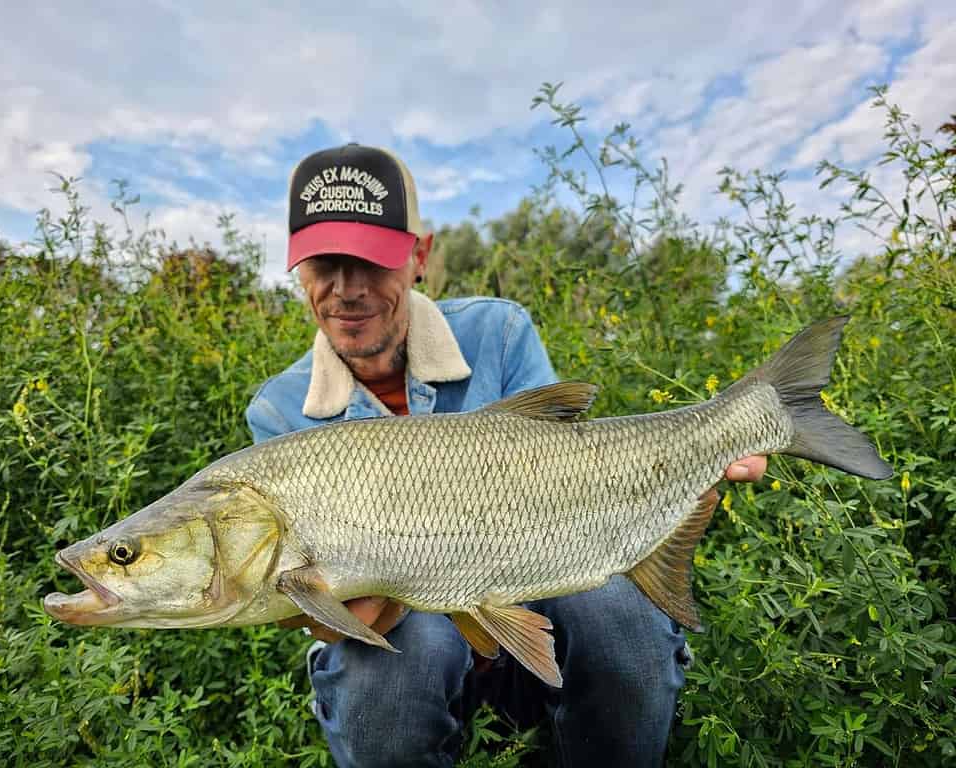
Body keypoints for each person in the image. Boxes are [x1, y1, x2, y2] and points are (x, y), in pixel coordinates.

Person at [245, 143, 766, 767]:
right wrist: (328, 614)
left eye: (372, 263)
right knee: (385, 670)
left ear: (419, 257)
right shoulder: (277, 412)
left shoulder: (500, 333)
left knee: (615, 613)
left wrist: (685, 465)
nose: (347, 290)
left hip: (537, 580)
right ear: (297, 267)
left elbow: (571, 472)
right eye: (325, 264)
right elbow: (318, 608)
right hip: (414, 628)